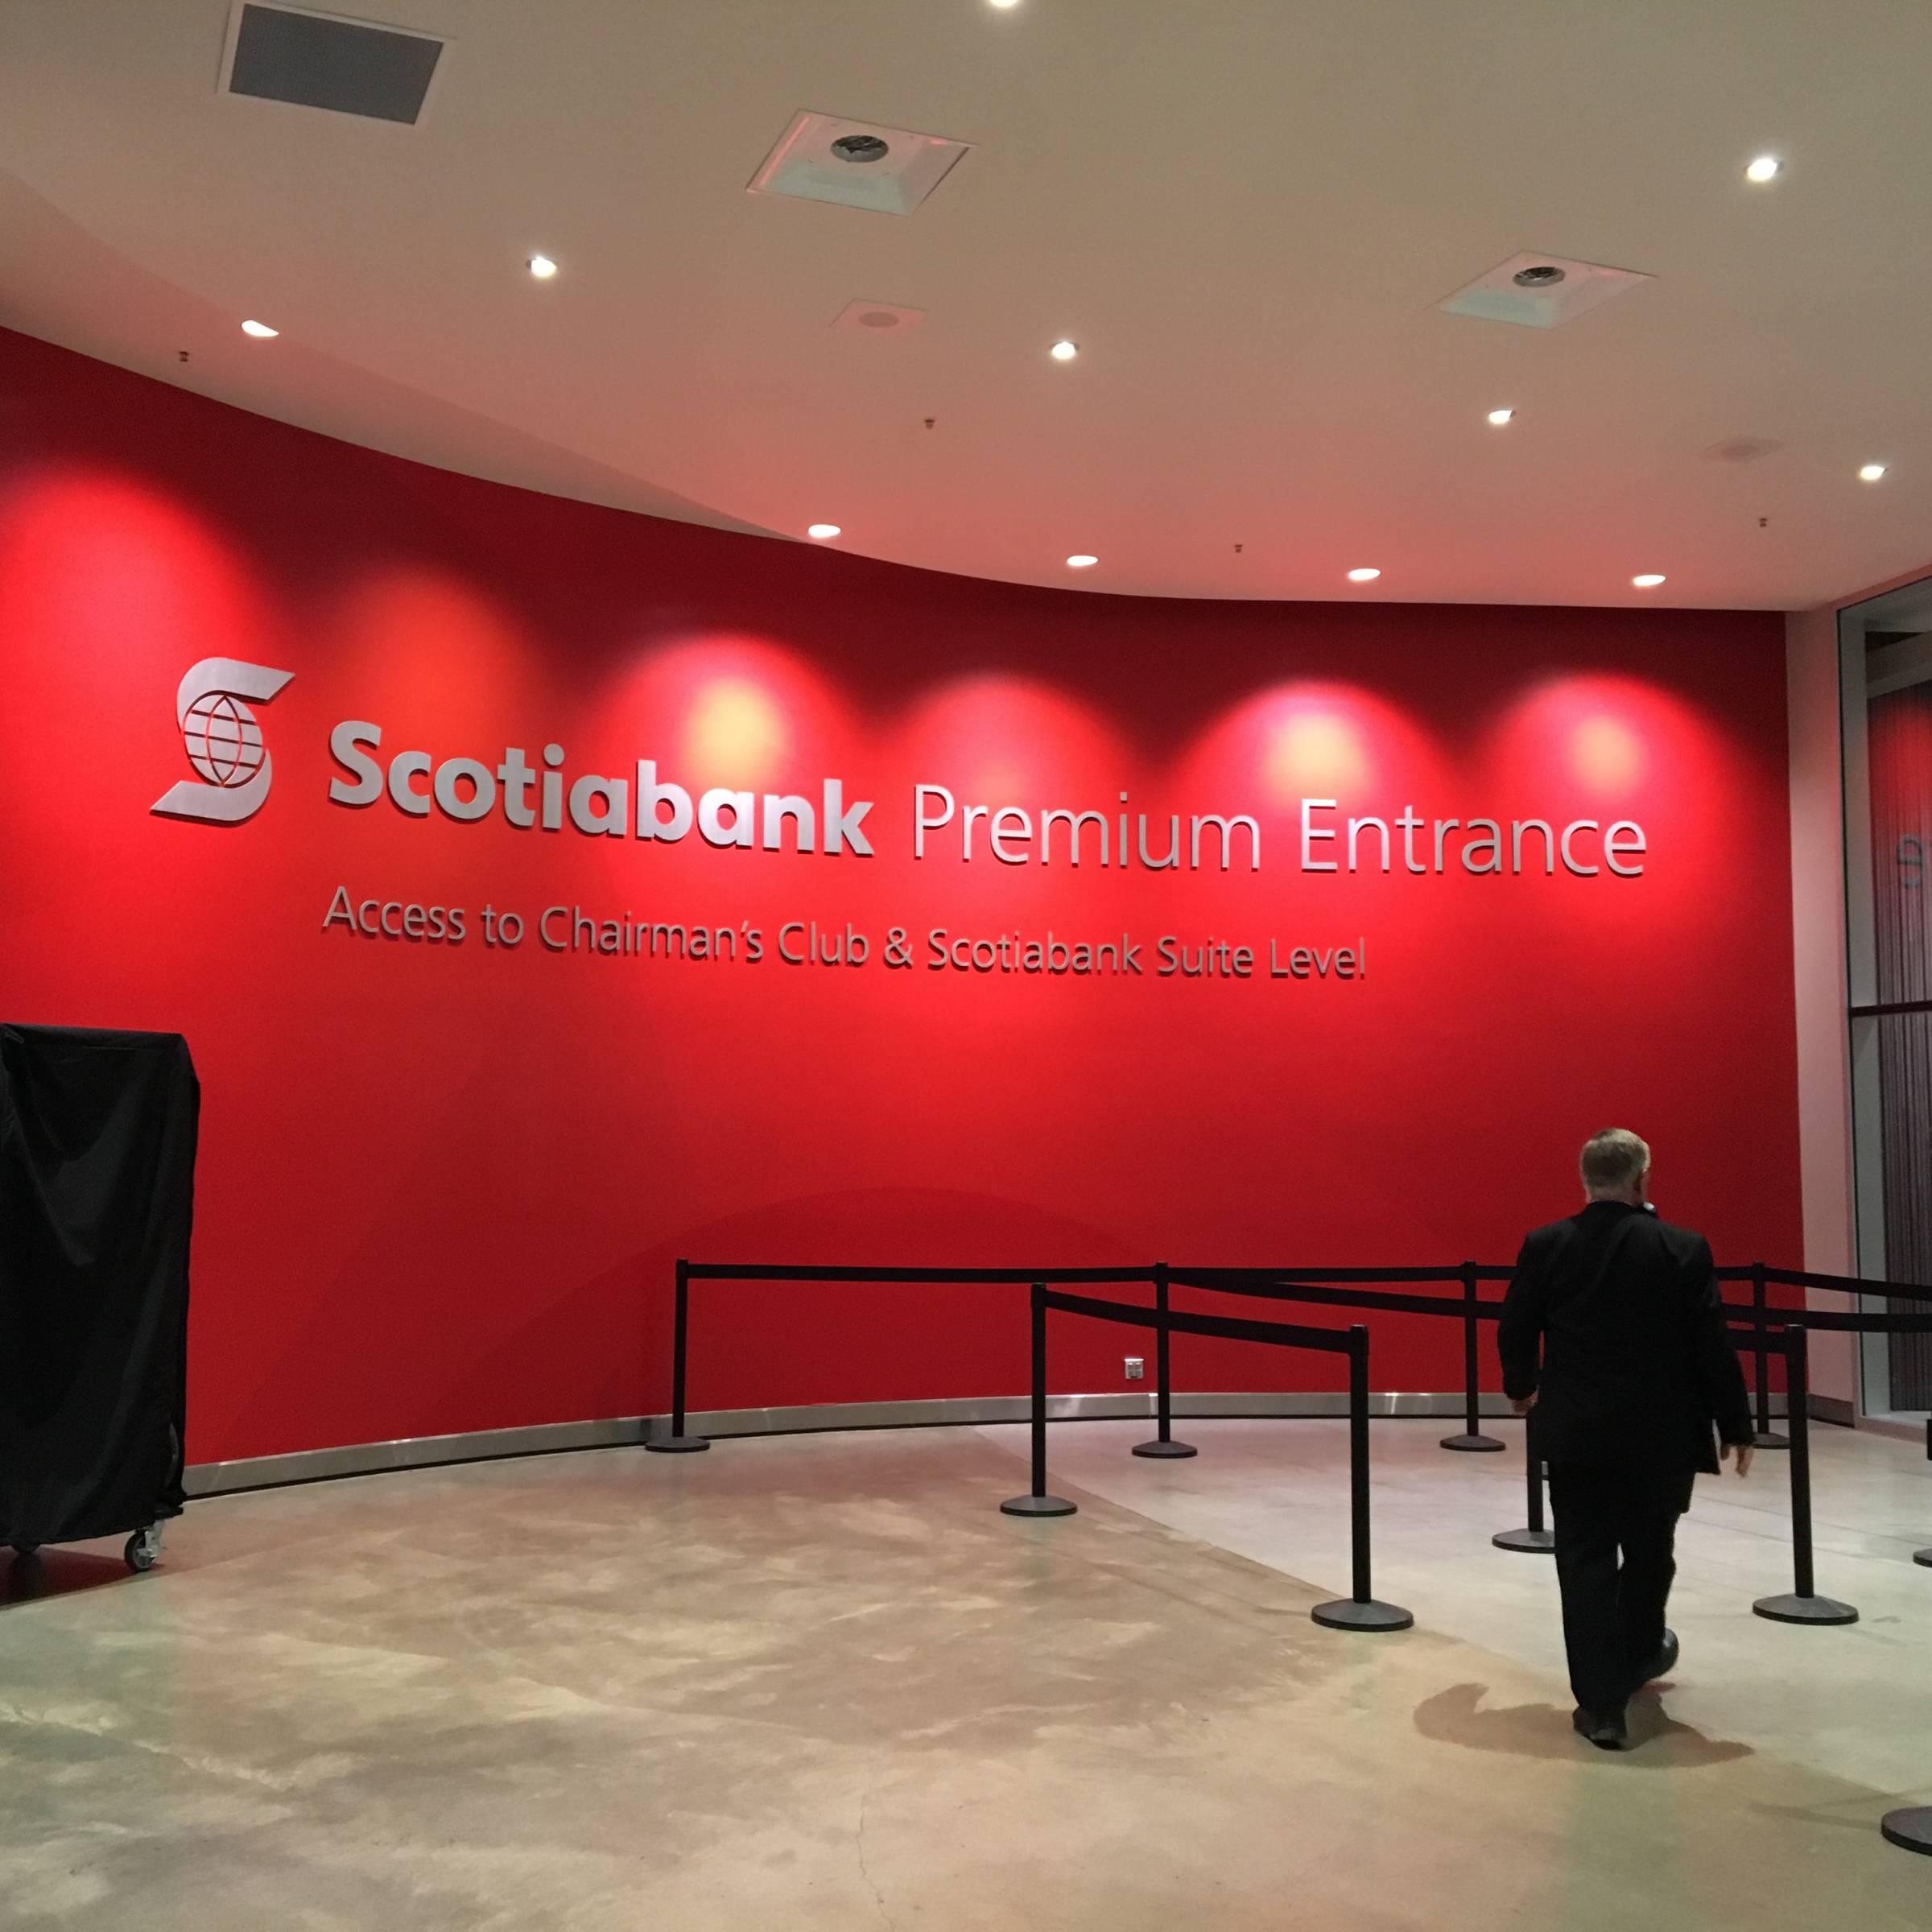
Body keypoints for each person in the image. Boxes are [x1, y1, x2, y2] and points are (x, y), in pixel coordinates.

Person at [1497, 1128, 1755, 1751]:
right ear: (1642, 1180)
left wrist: (1522, 1387)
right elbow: (1711, 1344)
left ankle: (1601, 1705)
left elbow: (1516, 1324)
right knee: (1650, 1551)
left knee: (1583, 1558)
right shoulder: (1682, 1247)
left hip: (1578, 1431)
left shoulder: (1547, 1244)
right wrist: (1737, 1423)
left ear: (1585, 1179)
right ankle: (1639, 1655)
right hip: (1662, 1436)